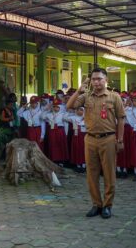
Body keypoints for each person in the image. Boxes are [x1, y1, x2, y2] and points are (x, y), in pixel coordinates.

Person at [67, 67, 126, 219]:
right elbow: (70, 106)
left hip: (109, 139)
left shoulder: (114, 97)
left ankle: (107, 205)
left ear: (106, 80)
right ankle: (96, 204)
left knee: (109, 173)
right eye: (94, 79)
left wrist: (120, 140)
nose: (96, 82)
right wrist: (79, 90)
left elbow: (121, 118)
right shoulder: (87, 96)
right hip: (90, 139)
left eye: (99, 79)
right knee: (91, 174)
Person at [42, 99, 69, 166]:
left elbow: (66, 124)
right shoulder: (49, 114)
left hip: (60, 131)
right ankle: (53, 159)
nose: (55, 108)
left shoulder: (63, 114)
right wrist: (47, 109)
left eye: (57, 107)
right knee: (53, 145)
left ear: (60, 107)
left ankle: (61, 160)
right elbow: (42, 117)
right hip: (52, 131)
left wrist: (65, 133)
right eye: (54, 107)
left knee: (60, 145)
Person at [66, 107, 86, 173]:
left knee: (83, 149)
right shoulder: (73, 117)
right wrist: (69, 112)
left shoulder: (86, 118)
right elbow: (64, 118)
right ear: (76, 111)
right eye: (79, 110)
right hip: (76, 135)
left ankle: (84, 165)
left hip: (83, 136)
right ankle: (77, 164)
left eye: (82, 110)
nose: (80, 111)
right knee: (76, 149)